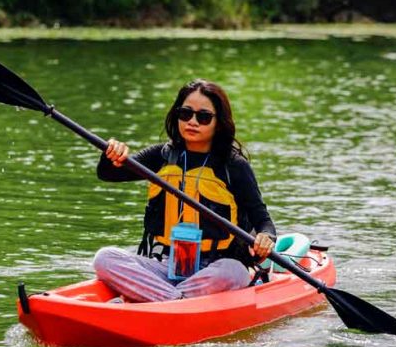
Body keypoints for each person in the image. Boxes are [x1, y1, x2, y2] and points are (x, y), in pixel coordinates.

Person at [92, 79, 276, 303]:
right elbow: (109, 173)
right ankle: (176, 301)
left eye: (204, 117)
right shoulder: (161, 155)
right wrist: (110, 153)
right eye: (186, 113)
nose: (193, 122)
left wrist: (266, 238)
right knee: (104, 258)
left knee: (233, 271)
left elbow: (262, 219)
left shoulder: (233, 166)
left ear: (218, 123)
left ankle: (149, 299)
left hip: (215, 268)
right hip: (167, 266)